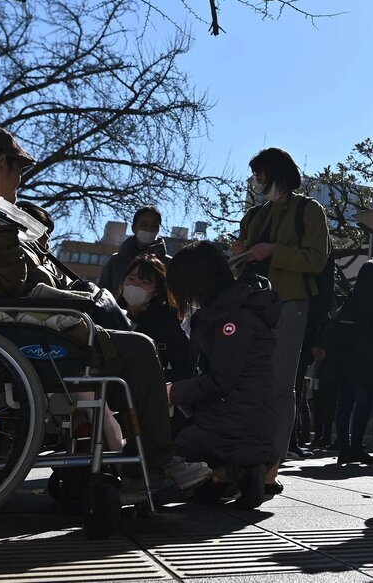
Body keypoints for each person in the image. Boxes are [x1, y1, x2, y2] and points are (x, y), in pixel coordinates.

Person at [0, 124, 211, 502]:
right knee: (137, 350)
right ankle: (152, 465)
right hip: (9, 338)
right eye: (18, 170)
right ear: (0, 165)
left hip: (21, 330)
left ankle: (142, 462)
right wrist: (0, 232)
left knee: (129, 345)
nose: (19, 181)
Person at [232, 147, 330, 498]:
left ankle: (271, 467)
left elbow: (317, 259)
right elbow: (241, 262)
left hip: (288, 302)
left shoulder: (309, 210)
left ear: (277, 174)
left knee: (280, 386)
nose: (257, 182)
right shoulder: (255, 214)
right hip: (250, 304)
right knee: (245, 382)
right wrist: (241, 252)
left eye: (261, 175)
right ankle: (242, 460)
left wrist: (273, 251)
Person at [166, 241, 280, 509]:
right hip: (247, 416)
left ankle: (222, 473)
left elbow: (221, 380)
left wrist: (172, 392)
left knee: (171, 446)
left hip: (233, 422)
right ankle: (225, 474)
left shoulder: (233, 320)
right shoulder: (236, 311)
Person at [329, 259, 373, 465]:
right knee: (363, 404)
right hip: (367, 359)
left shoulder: (351, 297)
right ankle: (356, 445)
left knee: (344, 403)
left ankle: (343, 447)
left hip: (345, 358)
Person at [117, 254, 195, 382]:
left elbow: (185, 369)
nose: (136, 286)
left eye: (145, 282)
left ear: (156, 291)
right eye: (131, 279)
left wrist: (153, 381)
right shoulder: (110, 314)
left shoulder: (167, 325)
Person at [99, 206, 171, 291]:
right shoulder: (115, 261)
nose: (149, 229)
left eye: (154, 226)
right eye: (144, 225)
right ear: (133, 228)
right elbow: (102, 294)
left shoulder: (169, 264)